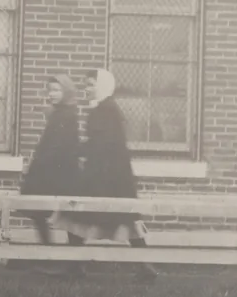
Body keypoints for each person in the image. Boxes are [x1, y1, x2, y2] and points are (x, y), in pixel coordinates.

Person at [63, 68, 158, 278]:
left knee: (77, 214)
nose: (87, 89)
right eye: (86, 85)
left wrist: (77, 150)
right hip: (108, 177)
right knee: (81, 216)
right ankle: (74, 264)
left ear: (103, 86)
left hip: (109, 179)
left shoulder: (105, 111)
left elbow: (102, 146)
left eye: (91, 84)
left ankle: (144, 267)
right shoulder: (103, 109)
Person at [19, 74, 81, 246]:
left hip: (59, 174)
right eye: (50, 90)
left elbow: (60, 146)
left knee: (66, 215)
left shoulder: (66, 115)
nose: (51, 94)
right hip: (53, 172)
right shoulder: (59, 113)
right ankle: (52, 252)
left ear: (66, 92)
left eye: (56, 90)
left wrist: (41, 165)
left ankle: (71, 258)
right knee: (44, 212)